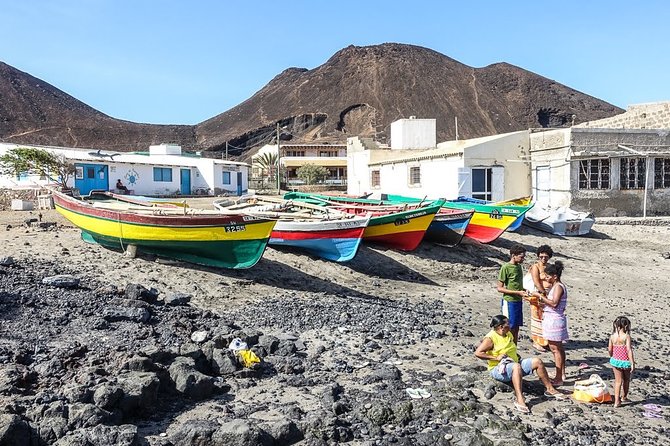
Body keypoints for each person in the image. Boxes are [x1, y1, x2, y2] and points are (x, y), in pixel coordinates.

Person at [474, 315, 565, 413]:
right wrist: (496, 357)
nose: (510, 325)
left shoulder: (508, 334)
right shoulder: (490, 338)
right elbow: (478, 353)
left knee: (537, 361)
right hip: (498, 369)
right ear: (501, 327)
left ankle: (550, 389)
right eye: (508, 324)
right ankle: (519, 398)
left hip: (513, 363)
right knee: (516, 367)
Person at [538, 261, 568, 386]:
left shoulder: (558, 287)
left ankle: (559, 377)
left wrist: (540, 297)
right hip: (554, 319)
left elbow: (554, 303)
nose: (546, 278)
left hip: (554, 321)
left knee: (555, 349)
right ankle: (560, 374)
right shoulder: (556, 286)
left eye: (548, 276)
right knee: (558, 349)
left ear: (555, 276)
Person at [523, 245, 553, 351]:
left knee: (546, 319)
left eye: (546, 257)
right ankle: (537, 342)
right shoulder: (535, 267)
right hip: (538, 296)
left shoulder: (550, 267)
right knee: (537, 318)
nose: (543, 259)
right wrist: (543, 293)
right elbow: (536, 281)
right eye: (541, 256)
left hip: (548, 296)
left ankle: (546, 341)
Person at [496, 244, 528, 344]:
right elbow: (500, 288)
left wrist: (524, 290)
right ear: (514, 255)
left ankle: (513, 349)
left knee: (516, 327)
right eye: (521, 257)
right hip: (509, 301)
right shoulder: (505, 267)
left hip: (518, 301)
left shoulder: (519, 267)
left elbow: (516, 284)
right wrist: (517, 292)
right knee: (508, 327)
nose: (523, 259)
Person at [608, 316, 635, 407]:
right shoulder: (626, 336)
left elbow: (610, 349)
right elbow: (628, 350)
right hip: (625, 361)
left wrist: (612, 356)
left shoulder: (612, 337)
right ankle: (624, 396)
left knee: (618, 381)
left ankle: (616, 401)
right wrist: (632, 363)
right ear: (626, 326)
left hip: (615, 361)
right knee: (626, 380)